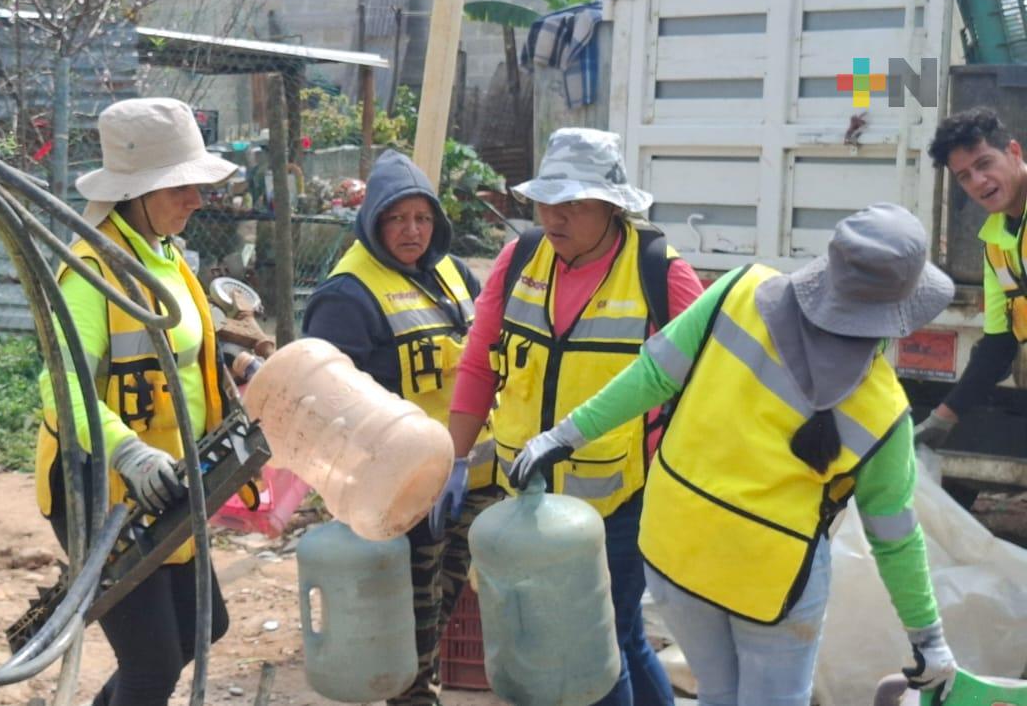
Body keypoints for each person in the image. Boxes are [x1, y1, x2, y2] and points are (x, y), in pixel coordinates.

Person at [513, 204, 959, 704]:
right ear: (897, 313)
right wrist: (928, 638)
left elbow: (653, 376)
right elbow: (894, 538)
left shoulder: (738, 291)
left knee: (718, 693)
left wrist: (562, 436)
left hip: (674, 547)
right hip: (771, 584)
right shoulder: (883, 411)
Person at [448, 128, 699, 706]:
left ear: (612, 207)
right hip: (528, 499)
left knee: (594, 647)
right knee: (612, 639)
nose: (555, 219)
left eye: (574, 206)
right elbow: (481, 362)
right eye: (547, 203)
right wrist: (453, 458)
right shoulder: (520, 260)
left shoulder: (660, 272)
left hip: (617, 504)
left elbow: (704, 386)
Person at [33, 97, 239, 706]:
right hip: (105, 490)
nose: (196, 200)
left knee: (204, 630)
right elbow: (61, 387)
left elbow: (181, 356)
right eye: (180, 187)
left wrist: (239, 365)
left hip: (173, 479)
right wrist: (129, 453)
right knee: (151, 667)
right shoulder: (89, 272)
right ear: (136, 192)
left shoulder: (165, 257)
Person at [301, 147, 489, 706]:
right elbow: (331, 409)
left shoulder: (454, 274)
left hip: (466, 483)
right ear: (373, 221)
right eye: (397, 218)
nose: (413, 231)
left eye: (423, 218)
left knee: (436, 615)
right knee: (412, 629)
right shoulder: (347, 295)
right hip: (403, 499)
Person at [917, 107, 1023, 449]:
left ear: (1014, 152)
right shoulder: (996, 243)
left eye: (984, 164)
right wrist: (942, 418)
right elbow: (998, 345)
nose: (978, 182)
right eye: (964, 176)